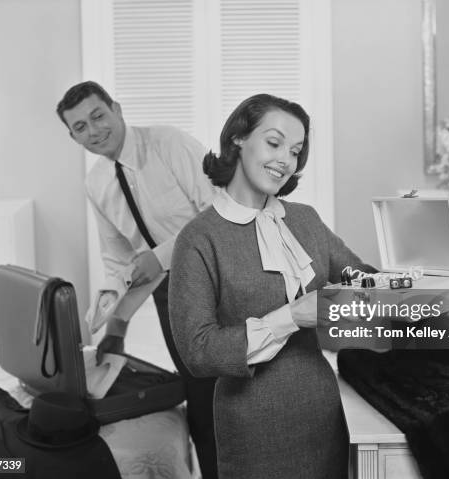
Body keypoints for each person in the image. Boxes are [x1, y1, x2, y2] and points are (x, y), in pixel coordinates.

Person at [169, 93, 377, 478]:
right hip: (251, 422)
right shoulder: (199, 238)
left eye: (296, 151)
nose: (285, 160)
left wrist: (398, 280)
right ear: (238, 139)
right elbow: (197, 351)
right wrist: (292, 316)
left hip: (323, 410)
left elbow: (358, 274)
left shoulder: (305, 219)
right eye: (274, 142)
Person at [56, 81, 218, 479]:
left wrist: (159, 256)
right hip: (169, 294)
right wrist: (116, 326)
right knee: (198, 396)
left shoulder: (170, 144)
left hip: (221, 277)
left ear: (117, 108)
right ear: (73, 137)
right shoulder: (96, 184)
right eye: (80, 127)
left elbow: (220, 212)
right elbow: (119, 263)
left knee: (230, 393)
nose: (93, 131)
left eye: (98, 116)